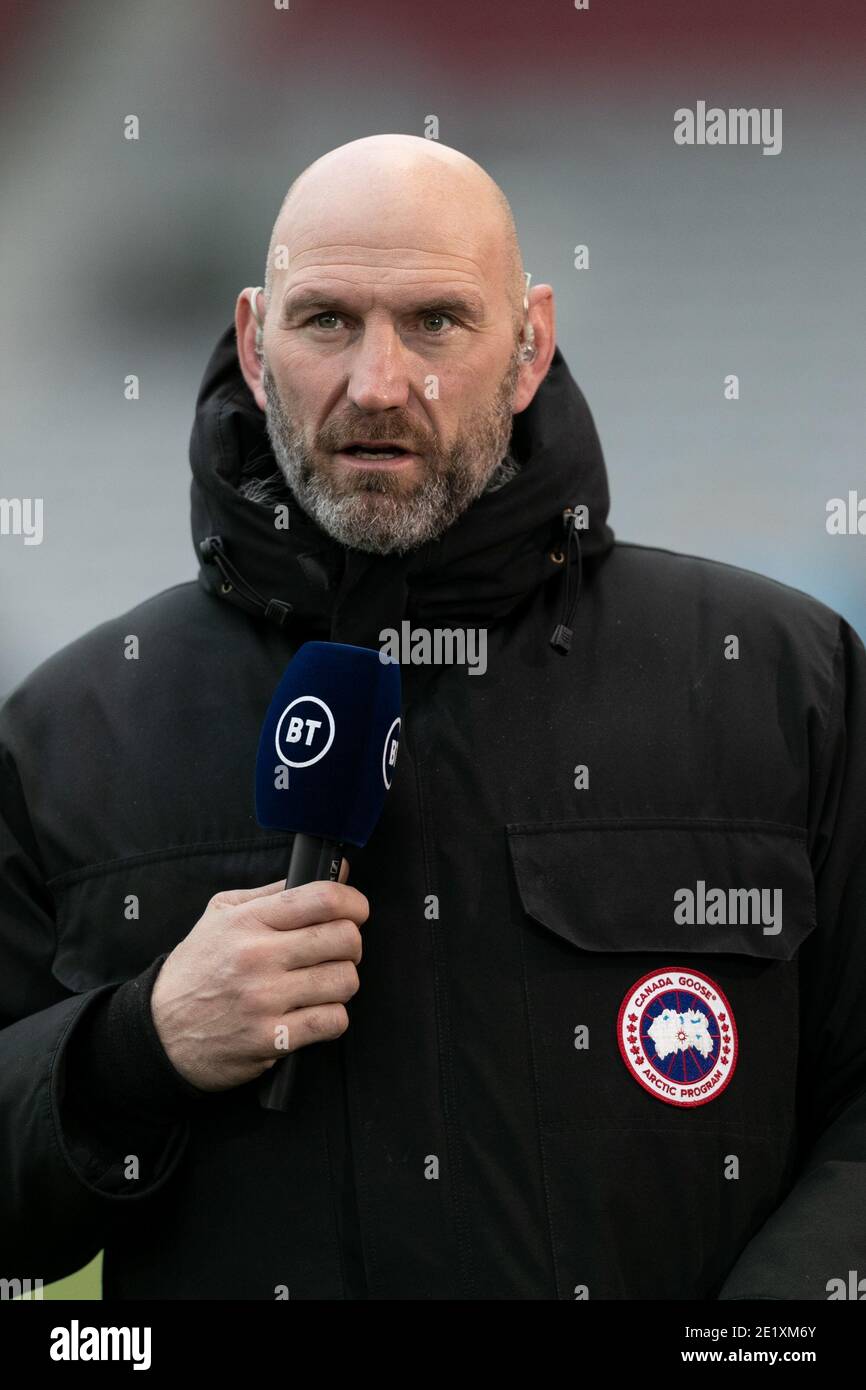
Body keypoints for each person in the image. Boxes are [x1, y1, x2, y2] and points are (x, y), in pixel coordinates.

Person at [1, 133, 864, 1301]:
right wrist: (134, 1045)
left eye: (436, 323)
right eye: (326, 322)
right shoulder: (70, 731)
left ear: (528, 344)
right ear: (255, 344)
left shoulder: (780, 681)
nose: (376, 383)